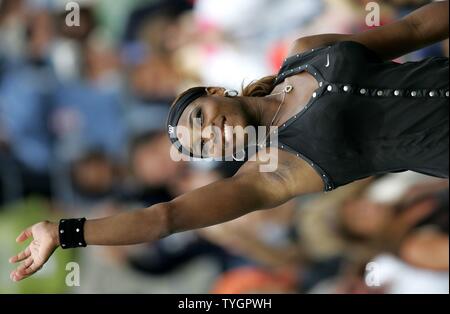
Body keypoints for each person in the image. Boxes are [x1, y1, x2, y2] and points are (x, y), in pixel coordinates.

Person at [9, 1, 448, 282]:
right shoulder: (277, 170)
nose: (208, 133)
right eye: (201, 144)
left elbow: (411, 30)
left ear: (216, 92)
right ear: (217, 156)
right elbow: (168, 218)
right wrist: (67, 232)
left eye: (199, 118)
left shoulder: (307, 51)